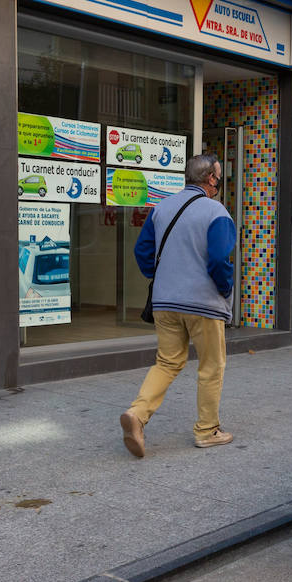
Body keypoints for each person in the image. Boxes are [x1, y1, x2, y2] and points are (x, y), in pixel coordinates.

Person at [120, 153, 237, 457]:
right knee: (211, 366)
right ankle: (207, 431)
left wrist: (163, 278)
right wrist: (225, 290)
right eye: (219, 175)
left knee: (168, 362)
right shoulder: (216, 212)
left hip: (164, 302)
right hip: (203, 304)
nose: (219, 180)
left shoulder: (161, 208)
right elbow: (219, 261)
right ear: (211, 179)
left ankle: (137, 414)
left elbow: (142, 251)